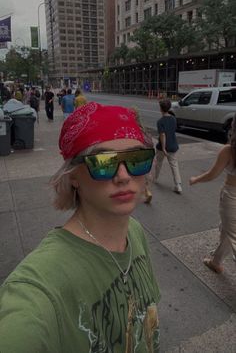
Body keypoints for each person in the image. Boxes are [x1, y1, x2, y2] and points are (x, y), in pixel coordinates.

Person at [0, 102, 160, 353]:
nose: (123, 176)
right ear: (73, 175)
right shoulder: (40, 285)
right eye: (104, 162)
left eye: (137, 159)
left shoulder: (134, 231)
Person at [189, 113, 236, 274]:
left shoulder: (229, 151)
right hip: (231, 198)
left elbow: (212, 174)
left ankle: (216, 262)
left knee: (232, 235)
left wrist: (196, 179)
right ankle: (216, 262)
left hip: (232, 197)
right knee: (227, 231)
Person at [154, 99, 182, 194]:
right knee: (174, 165)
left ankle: (154, 178)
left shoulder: (160, 121)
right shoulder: (173, 118)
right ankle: (178, 185)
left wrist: (163, 148)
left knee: (158, 163)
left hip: (163, 147)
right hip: (173, 145)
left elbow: (162, 135)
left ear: (161, 109)